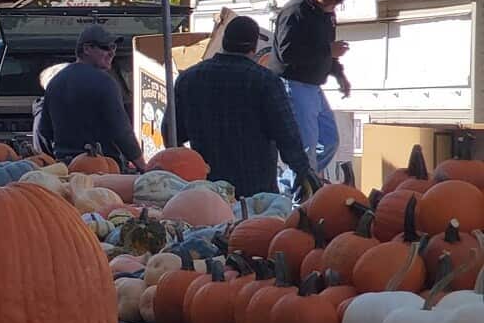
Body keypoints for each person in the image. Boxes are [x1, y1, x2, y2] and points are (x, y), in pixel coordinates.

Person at [168, 16, 318, 197]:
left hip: (207, 190)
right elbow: (287, 135)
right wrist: (303, 171)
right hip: (256, 193)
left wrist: (189, 169)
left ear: (223, 41)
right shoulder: (266, 81)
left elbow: (171, 133)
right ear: (254, 47)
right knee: (255, 226)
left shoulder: (188, 79)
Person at [272, 0, 354, 190]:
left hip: (313, 85)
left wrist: (339, 75)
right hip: (294, 83)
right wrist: (328, 51)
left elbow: (327, 51)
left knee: (328, 140)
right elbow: (287, 53)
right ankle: (298, 197)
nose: (338, 3)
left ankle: (301, 182)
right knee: (307, 147)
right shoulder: (295, 11)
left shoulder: (327, 14)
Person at [36, 24, 146, 170]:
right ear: (87, 49)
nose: (112, 53)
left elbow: (44, 130)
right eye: (106, 47)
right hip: (103, 168)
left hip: (65, 168)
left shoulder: (55, 82)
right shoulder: (105, 82)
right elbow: (121, 131)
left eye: (114, 48)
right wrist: (143, 167)